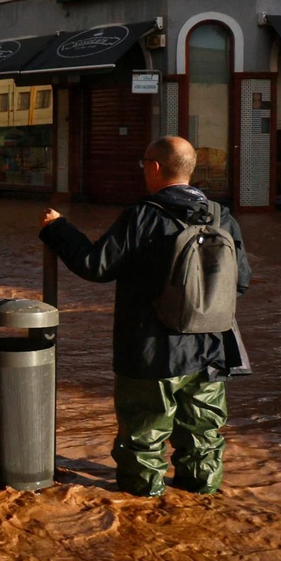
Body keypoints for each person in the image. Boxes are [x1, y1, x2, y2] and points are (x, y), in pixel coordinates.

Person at [39, 136, 251, 497]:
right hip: (211, 349)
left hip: (152, 352)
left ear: (154, 168)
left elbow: (96, 265)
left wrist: (58, 228)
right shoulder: (221, 216)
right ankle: (203, 506)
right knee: (203, 438)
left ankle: (141, 514)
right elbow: (242, 281)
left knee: (143, 438)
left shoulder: (144, 216)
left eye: (143, 166)